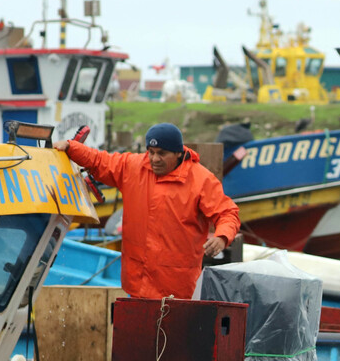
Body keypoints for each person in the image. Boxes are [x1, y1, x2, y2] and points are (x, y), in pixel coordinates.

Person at [54, 123, 240, 300]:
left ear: (178, 153)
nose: (154, 159)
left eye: (162, 153)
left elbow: (227, 213)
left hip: (177, 290)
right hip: (136, 285)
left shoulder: (201, 180)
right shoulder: (133, 166)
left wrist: (222, 236)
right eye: (150, 152)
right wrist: (71, 147)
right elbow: (99, 160)